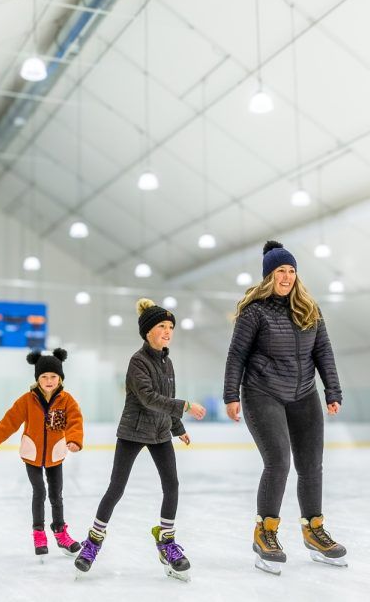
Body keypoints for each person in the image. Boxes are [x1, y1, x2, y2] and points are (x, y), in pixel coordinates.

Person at [223, 240, 347, 575]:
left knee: (311, 465)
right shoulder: (254, 312)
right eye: (281, 271)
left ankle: (313, 529)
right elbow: (236, 355)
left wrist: (332, 390)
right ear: (269, 275)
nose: (287, 277)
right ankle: (266, 532)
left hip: (304, 393)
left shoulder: (310, 309)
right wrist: (231, 395)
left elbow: (324, 352)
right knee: (278, 460)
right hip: (262, 393)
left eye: (292, 271)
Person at [74, 298, 207, 581]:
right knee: (116, 489)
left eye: (171, 326)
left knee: (172, 485)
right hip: (133, 432)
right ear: (148, 331)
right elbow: (149, 398)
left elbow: (167, 399)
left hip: (160, 433)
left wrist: (177, 427)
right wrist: (184, 406)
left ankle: (167, 541)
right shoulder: (138, 361)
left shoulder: (167, 362)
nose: (168, 331)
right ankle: (93, 542)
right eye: (162, 326)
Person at [0, 348, 84, 559]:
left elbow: (75, 421)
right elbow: (7, 424)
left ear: (60, 378)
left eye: (53, 376)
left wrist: (74, 440)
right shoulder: (27, 400)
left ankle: (60, 533)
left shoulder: (67, 400)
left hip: (55, 455)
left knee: (56, 495)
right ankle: (39, 532)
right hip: (32, 454)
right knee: (40, 492)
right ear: (37, 378)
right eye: (44, 376)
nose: (48, 380)